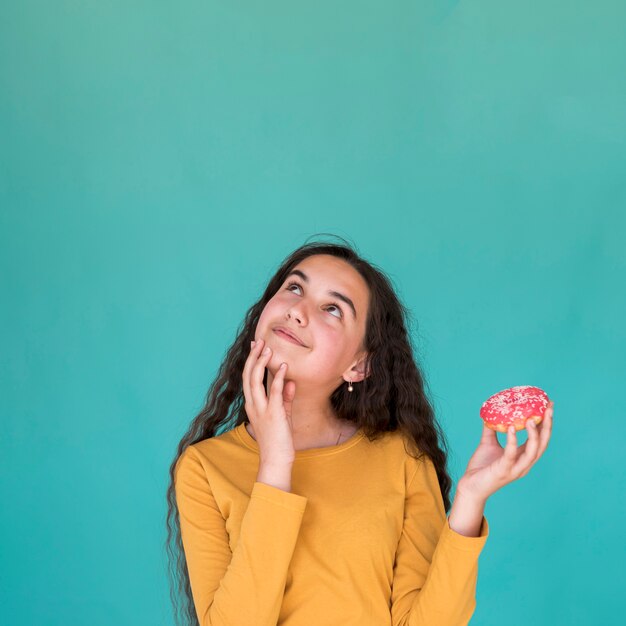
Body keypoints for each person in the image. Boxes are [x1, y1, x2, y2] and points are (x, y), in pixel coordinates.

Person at [164, 238, 554, 626]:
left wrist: (470, 499)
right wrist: (275, 464)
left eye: (332, 308)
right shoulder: (203, 468)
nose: (298, 311)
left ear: (359, 366)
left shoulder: (400, 457)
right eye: (294, 288)